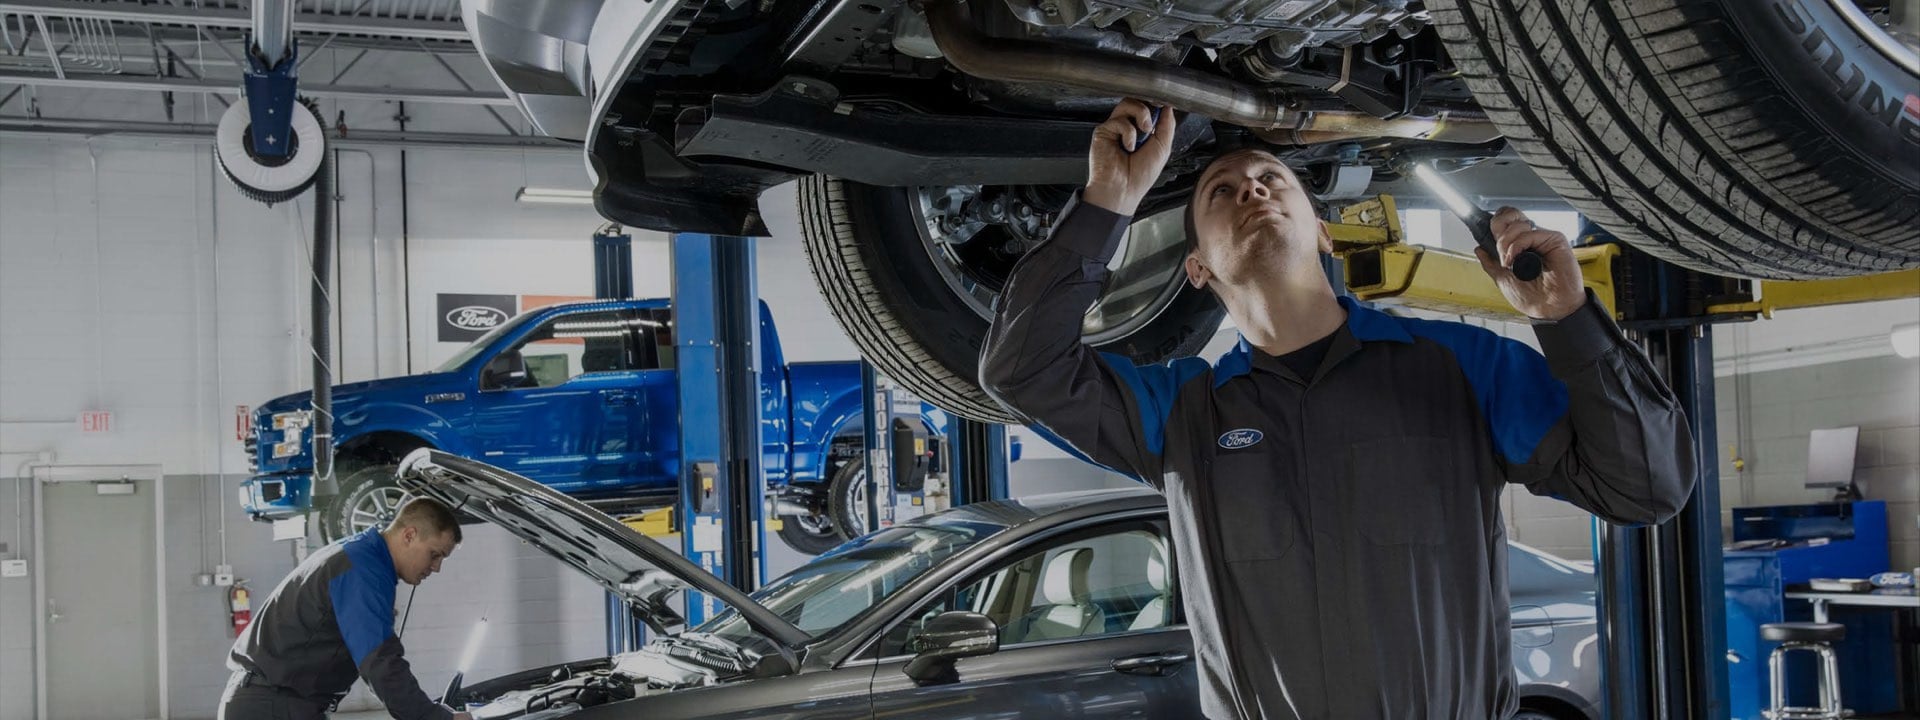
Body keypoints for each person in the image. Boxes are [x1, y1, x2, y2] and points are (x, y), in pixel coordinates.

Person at [979, 99, 1697, 719]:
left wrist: (1569, 317)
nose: (1251, 191)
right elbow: (1022, 369)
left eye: (1271, 180)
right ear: (1196, 268)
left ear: (1324, 231)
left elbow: (1646, 485)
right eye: (1221, 193)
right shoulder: (1183, 413)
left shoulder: (1459, 368)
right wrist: (1107, 201)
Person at [221, 497, 470, 720]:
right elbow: (380, 662)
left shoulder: (360, 554)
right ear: (409, 535)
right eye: (434, 555)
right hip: (271, 707)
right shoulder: (363, 570)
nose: (436, 567)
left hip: (279, 702)